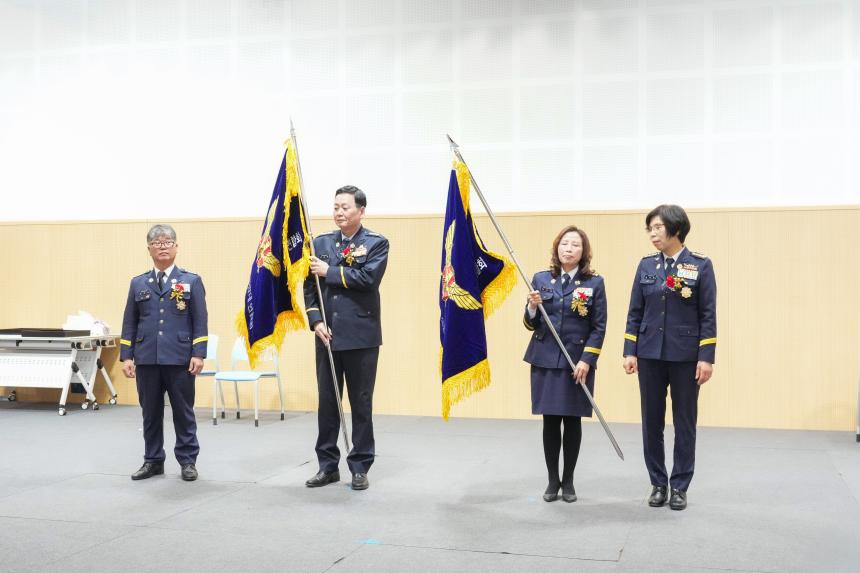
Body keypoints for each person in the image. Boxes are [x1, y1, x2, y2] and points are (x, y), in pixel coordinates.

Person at [622, 204, 716, 511]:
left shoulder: (700, 265)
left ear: (676, 229)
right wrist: (629, 350)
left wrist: (706, 357)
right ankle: (658, 483)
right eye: (649, 228)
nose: (652, 234)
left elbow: (708, 314)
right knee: (651, 421)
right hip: (649, 354)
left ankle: (680, 486)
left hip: (686, 356)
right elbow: (635, 312)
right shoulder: (646, 265)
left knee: (684, 422)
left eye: (658, 228)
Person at [303, 185, 389, 491]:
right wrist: (315, 321)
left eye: (345, 207)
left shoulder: (376, 243)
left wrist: (330, 271)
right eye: (336, 207)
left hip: (362, 336)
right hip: (327, 336)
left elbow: (368, 279)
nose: (339, 212)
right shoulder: (321, 242)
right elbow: (309, 287)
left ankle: (360, 465)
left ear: (361, 211)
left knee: (361, 402)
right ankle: (327, 466)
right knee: (327, 403)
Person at [523, 226, 607, 503]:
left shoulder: (594, 283)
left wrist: (587, 359)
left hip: (576, 363)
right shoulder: (541, 278)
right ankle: (552, 481)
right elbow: (530, 323)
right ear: (556, 247)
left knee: (572, 421)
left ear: (584, 253)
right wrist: (532, 307)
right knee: (550, 421)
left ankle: (568, 481)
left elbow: (599, 326)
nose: (568, 249)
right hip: (545, 359)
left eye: (575, 245)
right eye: (564, 244)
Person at [120, 224, 208, 482]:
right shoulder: (138, 283)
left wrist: (198, 353)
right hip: (147, 358)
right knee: (150, 412)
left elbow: (199, 320)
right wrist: (127, 355)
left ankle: (188, 460)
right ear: (148, 249)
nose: (162, 246)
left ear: (176, 247)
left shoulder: (190, 281)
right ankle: (153, 460)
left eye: (168, 241)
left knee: (183, 411)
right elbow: (130, 321)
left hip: (180, 358)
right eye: (157, 242)